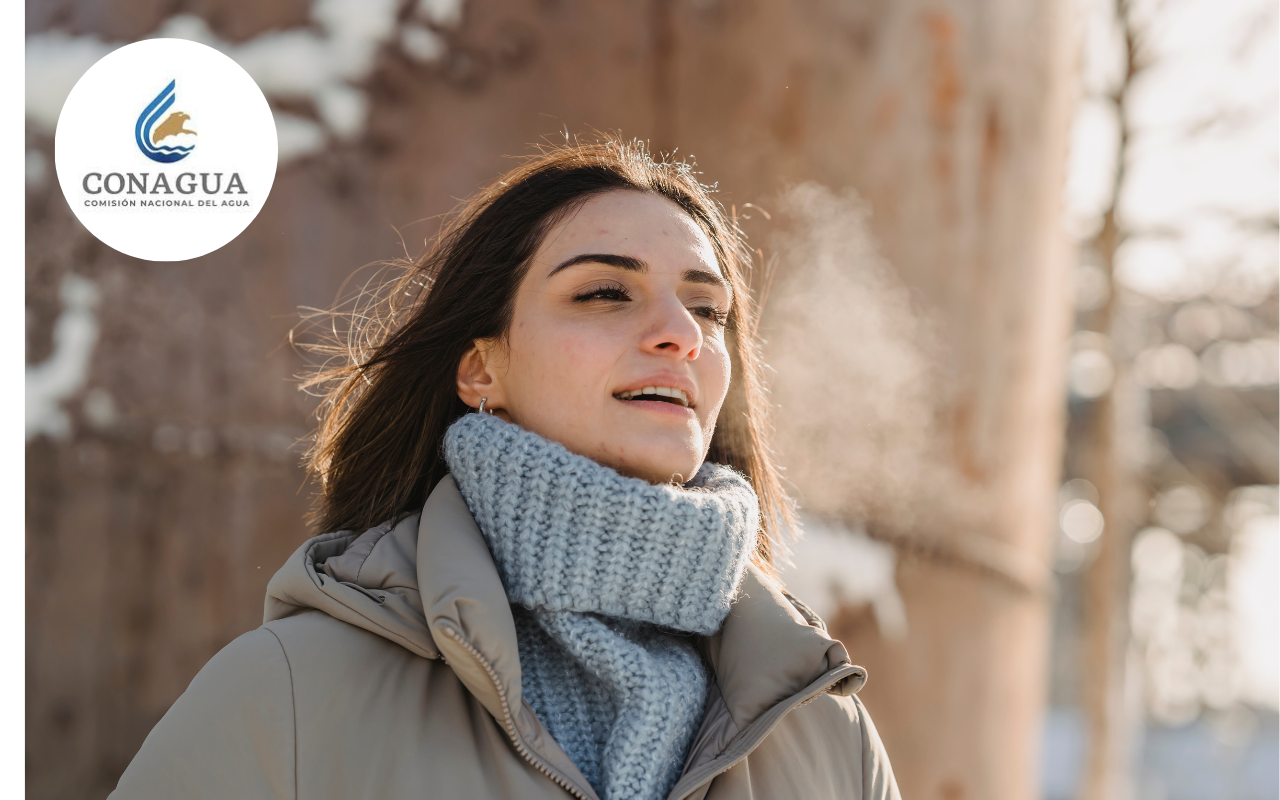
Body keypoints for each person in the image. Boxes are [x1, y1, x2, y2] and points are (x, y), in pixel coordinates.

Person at [108, 135, 901, 800]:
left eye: (707, 308)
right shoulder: (289, 695)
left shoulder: (828, 738)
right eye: (603, 293)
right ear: (481, 368)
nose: (679, 334)